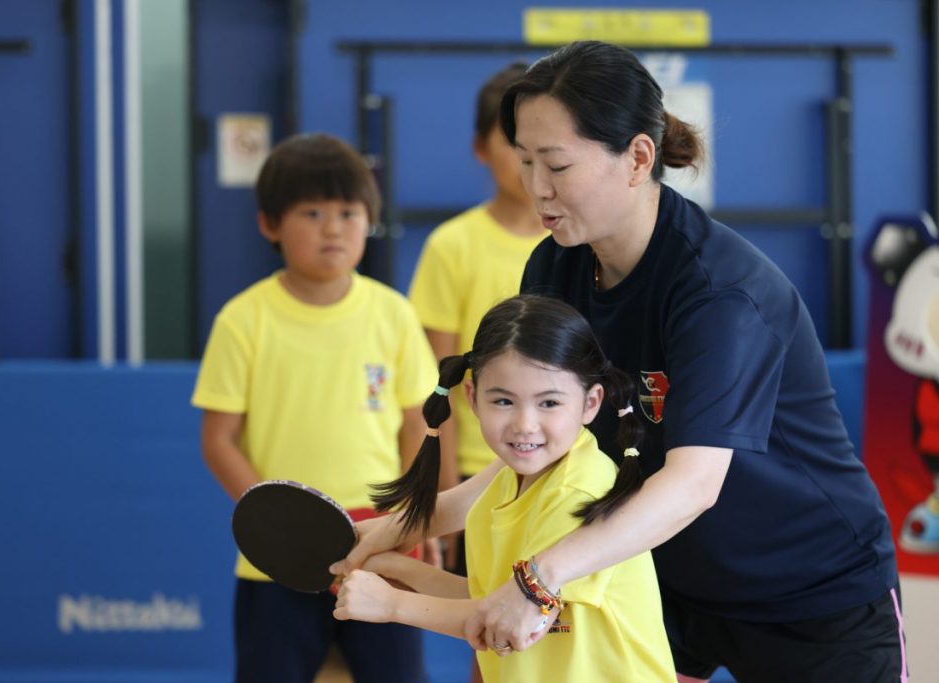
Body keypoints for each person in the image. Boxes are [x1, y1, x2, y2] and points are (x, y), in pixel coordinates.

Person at [334, 41, 906, 683]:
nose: (536, 189)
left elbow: (694, 483)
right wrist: (397, 527)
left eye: (556, 164)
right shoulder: (555, 265)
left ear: (638, 157)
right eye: (524, 161)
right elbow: (533, 450)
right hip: (663, 581)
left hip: (811, 596)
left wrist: (537, 579)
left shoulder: (719, 293)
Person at [191, 133, 436, 683]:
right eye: (312, 212)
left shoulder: (392, 314)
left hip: (381, 544)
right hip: (277, 561)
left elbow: (416, 425)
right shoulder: (243, 319)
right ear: (269, 224)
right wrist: (276, 525)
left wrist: (413, 518)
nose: (333, 227)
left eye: (349, 212)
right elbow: (218, 440)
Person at [333, 294, 676, 682]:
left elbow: (508, 625)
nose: (525, 424)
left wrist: (392, 604)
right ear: (472, 398)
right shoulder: (506, 482)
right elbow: (491, 600)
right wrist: (398, 568)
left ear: (590, 403)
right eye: (503, 401)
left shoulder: (576, 492)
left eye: (548, 403)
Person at [408, 63, 546, 540]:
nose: (527, 158)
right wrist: (440, 496)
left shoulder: (581, 243)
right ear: (480, 148)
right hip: (476, 473)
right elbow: (436, 382)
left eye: (541, 142)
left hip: (566, 472)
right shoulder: (453, 246)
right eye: (512, 140)